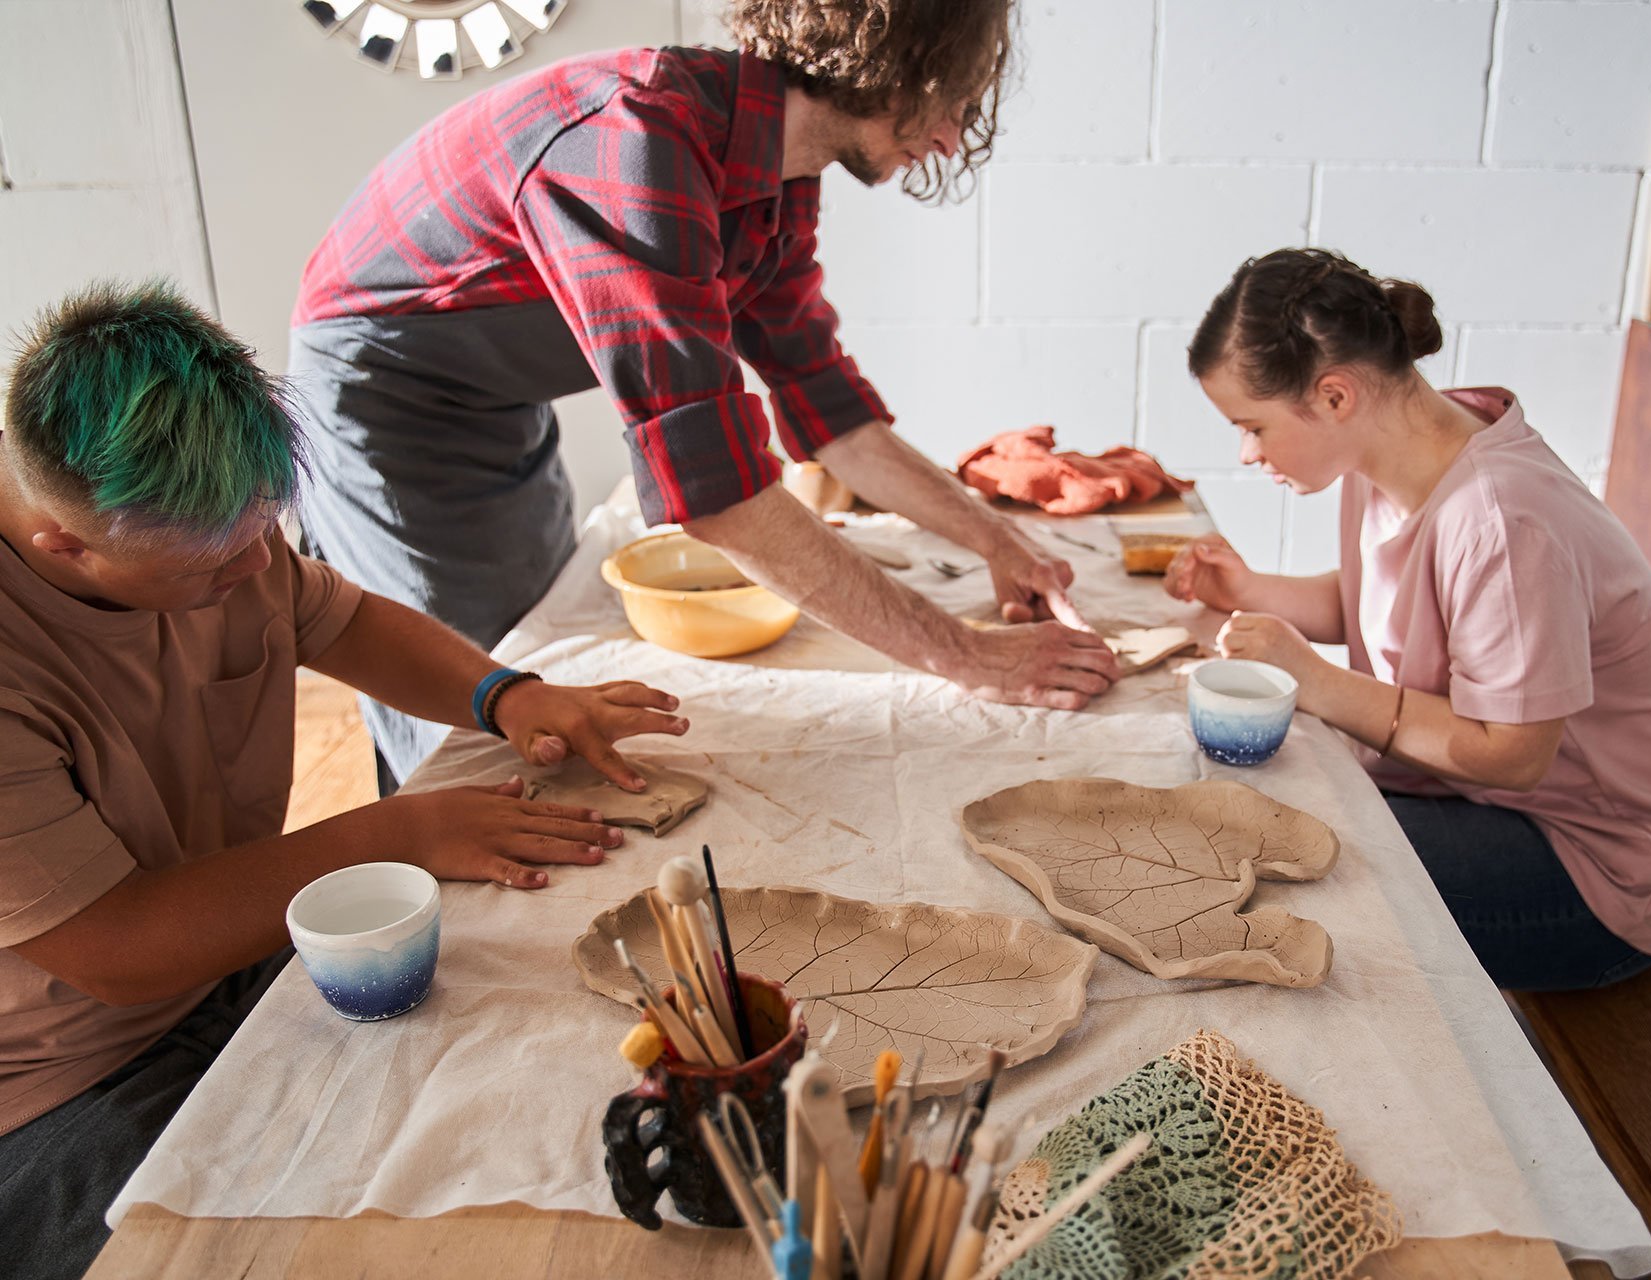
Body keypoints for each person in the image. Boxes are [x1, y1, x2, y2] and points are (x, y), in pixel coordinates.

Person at [0, 283, 688, 1277]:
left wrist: (505, 693)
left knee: (493, 1117)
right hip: (61, 1077)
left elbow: (339, 617)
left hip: (225, 963)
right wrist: (393, 834)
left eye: (259, 542)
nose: (252, 573)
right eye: (211, 572)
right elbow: (118, 948)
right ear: (64, 545)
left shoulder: (208, 540)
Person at [289, 0, 1120, 790]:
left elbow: (832, 414)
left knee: (544, 643)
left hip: (498, 393)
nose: (947, 139)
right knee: (478, 715)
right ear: (887, 63)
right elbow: (716, 495)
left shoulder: (778, 174)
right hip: (384, 393)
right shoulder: (634, 140)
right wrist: (967, 657)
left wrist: (996, 539)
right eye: (950, 104)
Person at [1165, 247, 1651, 992]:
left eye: (1253, 426)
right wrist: (1255, 589)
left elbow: (1511, 754)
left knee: (1262, 873)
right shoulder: (1393, 454)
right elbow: (1389, 603)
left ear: (1334, 397)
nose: (1247, 452)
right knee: (1245, 817)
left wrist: (1316, 681)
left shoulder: (1505, 521)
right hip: (1484, 803)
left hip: (1599, 871)